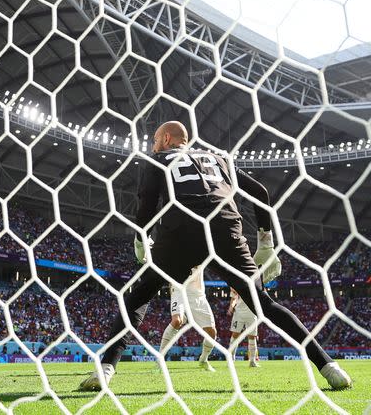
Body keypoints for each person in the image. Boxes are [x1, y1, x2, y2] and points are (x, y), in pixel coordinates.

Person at [79, 121, 351, 391]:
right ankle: (329, 367)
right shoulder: (218, 158)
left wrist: (140, 237)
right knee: (263, 304)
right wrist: (266, 240)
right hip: (225, 227)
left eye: (154, 139)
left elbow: (147, 203)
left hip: (182, 230)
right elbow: (260, 192)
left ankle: (106, 369)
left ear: (165, 139)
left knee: (139, 297)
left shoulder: (159, 159)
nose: (153, 145)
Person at [158, 265, 218, 372]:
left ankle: (203, 360)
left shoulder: (201, 249)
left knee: (212, 332)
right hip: (178, 289)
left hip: (197, 295)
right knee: (177, 321)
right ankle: (160, 359)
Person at [228, 288, 260, 367]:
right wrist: (231, 307)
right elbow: (233, 298)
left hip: (252, 313)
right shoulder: (235, 283)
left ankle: (252, 361)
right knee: (235, 335)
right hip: (239, 313)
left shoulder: (256, 283)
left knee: (252, 337)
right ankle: (231, 359)